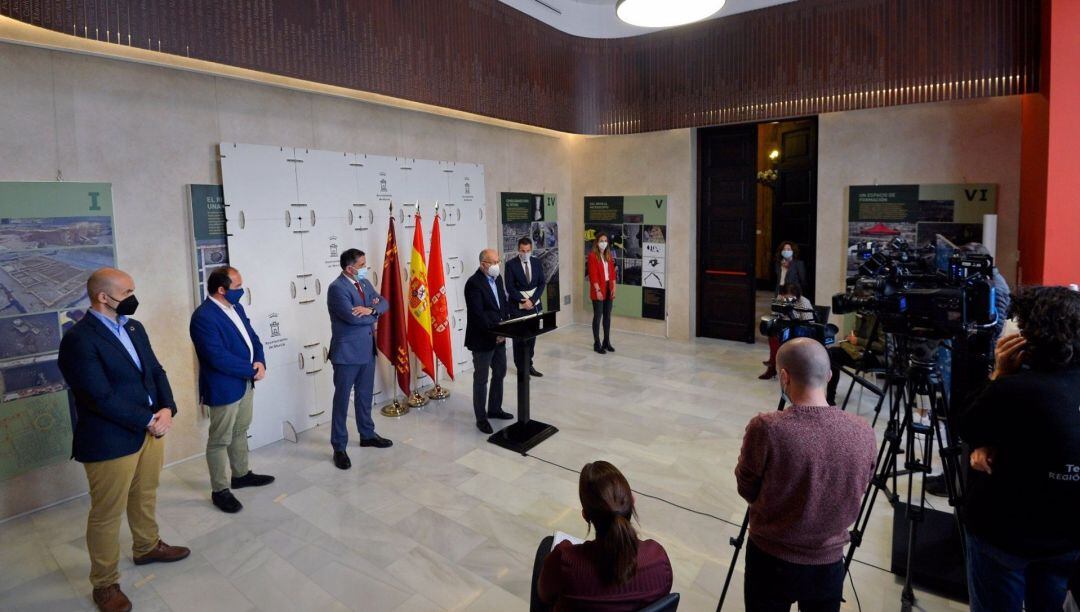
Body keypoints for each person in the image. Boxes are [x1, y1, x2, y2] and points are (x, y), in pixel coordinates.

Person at [57, 268, 190, 612]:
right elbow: (97, 396)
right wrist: (148, 419)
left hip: (150, 430)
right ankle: (105, 583)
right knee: (106, 514)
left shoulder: (133, 327)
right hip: (109, 439)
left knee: (144, 494)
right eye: (127, 290)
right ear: (104, 296)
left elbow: (155, 371)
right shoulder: (78, 339)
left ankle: (146, 547)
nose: (133, 296)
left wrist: (167, 409)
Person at [955, 286, 1080, 611]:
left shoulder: (1015, 390)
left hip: (1004, 536)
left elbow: (967, 425)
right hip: (1066, 538)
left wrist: (998, 373)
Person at [736, 338, 876, 611]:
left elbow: (747, 487)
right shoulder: (864, 431)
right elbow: (862, 485)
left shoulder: (766, 428)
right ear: (830, 375)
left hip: (770, 558)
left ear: (784, 376)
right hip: (828, 563)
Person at [189, 266, 275, 513]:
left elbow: (252, 337)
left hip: (245, 382)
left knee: (240, 430)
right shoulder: (203, 317)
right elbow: (216, 357)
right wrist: (251, 369)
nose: (241, 291)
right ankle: (220, 490)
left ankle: (241, 475)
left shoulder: (235, 307)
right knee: (219, 439)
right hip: (224, 387)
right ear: (221, 289)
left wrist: (259, 360)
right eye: (237, 287)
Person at [534, 461, 673, 611]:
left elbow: (544, 595)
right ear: (632, 502)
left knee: (546, 547)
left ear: (585, 515)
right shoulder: (658, 560)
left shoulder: (565, 562)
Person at [327, 248, 391, 471]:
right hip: (346, 354)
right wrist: (374, 315)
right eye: (362, 265)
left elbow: (384, 302)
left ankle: (367, 434)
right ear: (349, 268)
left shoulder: (363, 283)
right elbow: (352, 319)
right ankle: (339, 447)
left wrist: (371, 310)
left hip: (366, 350)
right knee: (342, 401)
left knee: (364, 397)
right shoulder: (337, 288)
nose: (365, 268)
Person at [464, 248, 513, 434]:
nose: (496, 265)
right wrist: (495, 332)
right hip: (483, 339)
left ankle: (494, 409)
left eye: (497, 261)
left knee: (500, 372)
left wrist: (506, 327)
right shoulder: (473, 284)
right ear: (483, 264)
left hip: (500, 336)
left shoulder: (498, 279)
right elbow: (478, 315)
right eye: (493, 262)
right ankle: (481, 418)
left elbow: (502, 304)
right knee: (481, 379)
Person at [504, 237, 546, 377]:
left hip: (534, 306)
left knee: (532, 337)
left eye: (528, 250)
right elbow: (509, 287)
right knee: (519, 339)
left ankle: (529, 364)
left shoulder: (536, 262)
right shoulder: (511, 265)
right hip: (518, 308)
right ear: (518, 250)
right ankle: (521, 368)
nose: (525, 253)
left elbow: (541, 283)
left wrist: (532, 301)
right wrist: (523, 301)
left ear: (531, 250)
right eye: (523, 250)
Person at [825, 311, 885, 406]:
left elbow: (882, 346)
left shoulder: (879, 317)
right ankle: (830, 399)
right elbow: (856, 334)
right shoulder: (861, 314)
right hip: (861, 350)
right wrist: (850, 337)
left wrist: (858, 340)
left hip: (877, 356)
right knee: (832, 353)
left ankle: (829, 400)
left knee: (835, 355)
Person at [759, 282, 815, 380]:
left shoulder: (803, 301)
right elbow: (774, 314)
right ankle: (774, 363)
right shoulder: (781, 298)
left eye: (789, 298)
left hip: (799, 329)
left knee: (779, 336)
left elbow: (808, 322)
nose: (787, 300)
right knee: (772, 333)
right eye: (785, 297)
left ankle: (774, 365)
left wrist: (791, 311)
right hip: (783, 326)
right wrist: (779, 306)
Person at [587, 233, 616, 354]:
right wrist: (598, 290)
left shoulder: (608, 255)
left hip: (609, 288)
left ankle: (606, 341)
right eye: (601, 240)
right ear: (597, 242)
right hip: (598, 289)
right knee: (598, 316)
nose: (603, 243)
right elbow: (593, 275)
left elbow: (612, 274)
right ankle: (597, 343)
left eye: (605, 240)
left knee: (607, 316)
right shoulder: (592, 256)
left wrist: (614, 288)